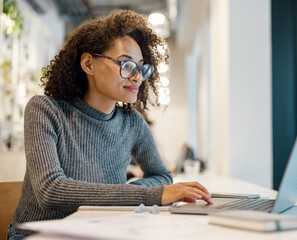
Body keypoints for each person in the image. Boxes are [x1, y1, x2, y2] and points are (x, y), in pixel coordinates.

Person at [7, 9, 212, 239]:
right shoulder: (45, 110)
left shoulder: (133, 122)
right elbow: (51, 191)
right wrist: (149, 195)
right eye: (126, 65)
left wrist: (127, 192)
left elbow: (162, 177)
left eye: (141, 67)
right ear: (88, 64)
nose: (137, 77)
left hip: (99, 230)